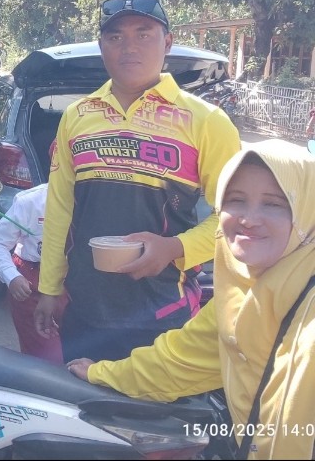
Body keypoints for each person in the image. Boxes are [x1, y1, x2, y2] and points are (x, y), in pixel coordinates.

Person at [68, 139, 315, 460]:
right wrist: (102, 374)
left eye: (274, 204)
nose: (249, 219)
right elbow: (180, 360)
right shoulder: (242, 291)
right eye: (236, 200)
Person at [33, 0, 242, 363]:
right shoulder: (77, 116)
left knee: (152, 403)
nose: (129, 47)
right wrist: (49, 288)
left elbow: (236, 218)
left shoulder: (207, 121)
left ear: (168, 42)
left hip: (164, 314)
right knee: (80, 400)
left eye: (143, 34)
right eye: (115, 36)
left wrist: (175, 248)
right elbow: (60, 209)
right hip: (85, 313)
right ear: (101, 46)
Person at [0, 181, 68, 364]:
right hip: (33, 285)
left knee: (84, 358)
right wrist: (12, 276)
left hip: (78, 284)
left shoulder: (97, 200)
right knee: (47, 361)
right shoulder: (31, 201)